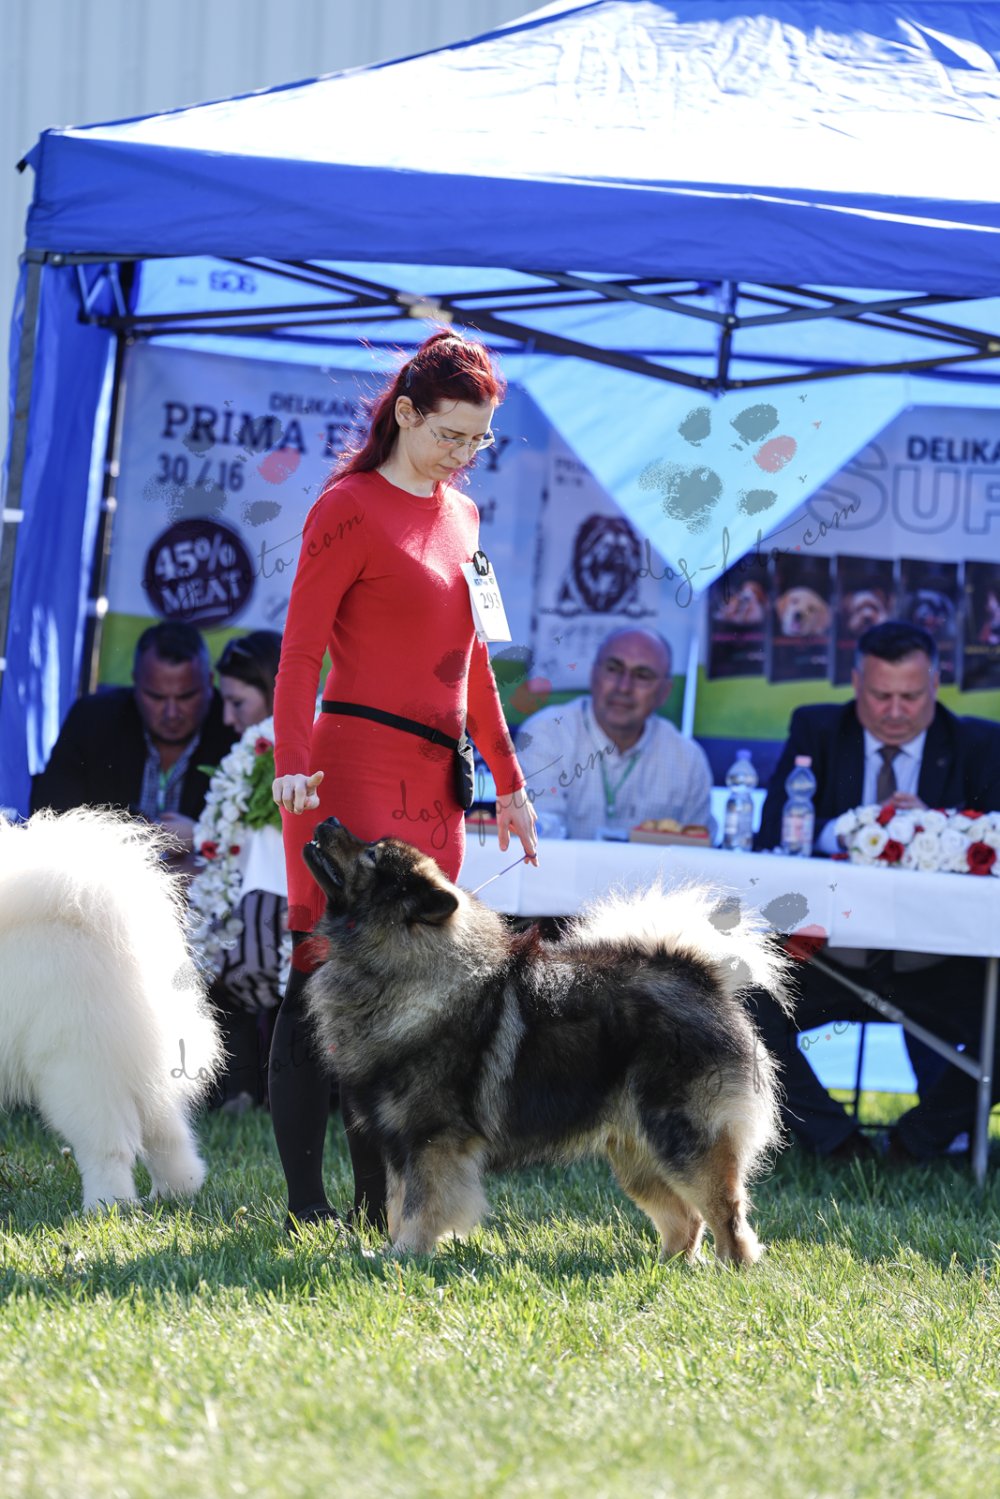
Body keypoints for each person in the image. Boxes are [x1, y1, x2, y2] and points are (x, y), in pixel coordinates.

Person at [270, 330, 537, 1232]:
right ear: (407, 412)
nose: (464, 453)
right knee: (322, 972)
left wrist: (509, 781)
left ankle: (375, 1202)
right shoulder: (346, 507)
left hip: (436, 782)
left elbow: (475, 665)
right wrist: (292, 763)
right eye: (450, 434)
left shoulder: (465, 517)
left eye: (480, 440)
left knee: (410, 993)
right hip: (347, 769)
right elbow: (300, 651)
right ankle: (307, 1205)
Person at [751, 620, 1000, 1161]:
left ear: (935, 684)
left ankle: (918, 1142)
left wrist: (940, 829)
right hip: (826, 955)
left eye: (910, 696)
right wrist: (850, 831)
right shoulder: (818, 729)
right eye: (880, 695)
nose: (895, 711)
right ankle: (835, 1143)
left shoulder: (979, 744)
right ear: (856, 682)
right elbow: (772, 832)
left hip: (939, 963)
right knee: (737, 995)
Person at [30, 620, 235, 865]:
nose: (171, 713)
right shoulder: (93, 719)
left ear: (210, 683)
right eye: (156, 697)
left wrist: (202, 838)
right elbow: (50, 817)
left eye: (186, 696)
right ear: (135, 683)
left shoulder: (235, 730)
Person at [190, 631, 287, 1115]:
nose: (227, 719)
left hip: (288, 908)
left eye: (237, 703)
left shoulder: (298, 749)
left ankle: (254, 1094)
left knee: (235, 958)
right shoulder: (251, 753)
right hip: (258, 902)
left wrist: (195, 834)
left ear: (274, 692)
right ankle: (238, 1092)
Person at [515, 628, 714, 840]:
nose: (624, 687)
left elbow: (696, 850)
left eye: (642, 675)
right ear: (592, 674)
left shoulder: (688, 760)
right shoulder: (546, 733)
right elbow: (537, 837)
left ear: (665, 692)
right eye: (613, 669)